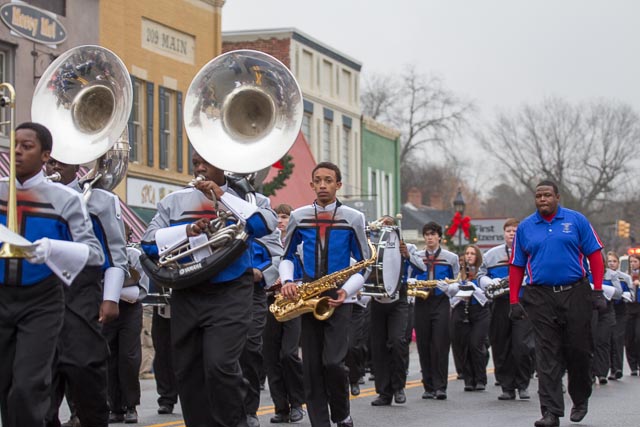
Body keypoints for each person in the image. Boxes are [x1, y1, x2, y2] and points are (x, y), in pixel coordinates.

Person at [141, 150, 277, 427]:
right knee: (188, 371)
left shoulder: (251, 200)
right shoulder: (174, 201)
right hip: (187, 291)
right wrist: (186, 231)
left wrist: (223, 197)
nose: (200, 169)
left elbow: (265, 225)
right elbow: (148, 244)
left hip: (230, 291)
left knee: (220, 366)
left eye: (206, 164)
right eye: (195, 164)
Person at [0, 122, 105, 427]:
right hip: (1, 294)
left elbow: (94, 253)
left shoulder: (65, 199)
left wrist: (53, 249)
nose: (18, 150)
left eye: (27, 146)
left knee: (27, 387)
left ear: (45, 155)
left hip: (41, 300)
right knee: (5, 385)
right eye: (15, 144)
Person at [279, 161, 370, 427]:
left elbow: (364, 264)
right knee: (311, 368)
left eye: (328, 180)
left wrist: (345, 291)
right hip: (308, 297)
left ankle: (342, 415)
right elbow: (286, 256)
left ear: (338, 185)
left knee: (333, 363)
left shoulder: (354, 218)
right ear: (311, 184)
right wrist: (287, 281)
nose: (322, 185)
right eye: (317, 180)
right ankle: (320, 422)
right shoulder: (299, 216)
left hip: (338, 298)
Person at [509, 180, 606, 427]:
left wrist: (597, 290)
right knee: (546, 354)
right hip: (539, 296)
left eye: (547, 195)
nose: (542, 199)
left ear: (557, 197)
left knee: (578, 351)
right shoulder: (526, 227)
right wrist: (514, 300)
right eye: (538, 196)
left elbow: (595, 255)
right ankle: (551, 412)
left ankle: (581, 398)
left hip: (575, 292)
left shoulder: (576, 221)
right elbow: (517, 265)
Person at [44, 156, 128, 427]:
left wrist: (111, 298)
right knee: (40, 379)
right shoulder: (31, 195)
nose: (55, 167)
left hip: (82, 291)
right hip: (41, 290)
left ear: (75, 165)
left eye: (61, 162)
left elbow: (116, 252)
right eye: (51, 162)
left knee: (83, 368)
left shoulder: (99, 200)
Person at [368, 215, 423, 406]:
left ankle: (398, 387)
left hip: (398, 300)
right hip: (377, 301)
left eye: (389, 226)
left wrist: (407, 254)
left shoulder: (407, 247)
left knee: (397, 342)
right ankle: (384, 392)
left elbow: (422, 267)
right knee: (378, 347)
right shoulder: (371, 247)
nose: (385, 229)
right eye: (382, 226)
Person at [478, 218, 534, 401]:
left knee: (522, 346)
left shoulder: (530, 252)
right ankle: (506, 386)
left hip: (523, 303)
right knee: (501, 345)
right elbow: (481, 274)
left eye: (515, 231)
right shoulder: (491, 254)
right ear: (504, 233)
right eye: (508, 230)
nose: (512, 233)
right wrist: (488, 282)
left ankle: (523, 384)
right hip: (500, 303)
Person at [262, 204, 305, 424]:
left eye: (285, 217)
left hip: (294, 303)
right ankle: (281, 407)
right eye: (278, 216)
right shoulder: (268, 242)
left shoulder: (300, 243)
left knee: (288, 354)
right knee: (270, 356)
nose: (280, 221)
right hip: (271, 302)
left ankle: (297, 403)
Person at [102, 228, 149, 424]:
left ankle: (131, 406)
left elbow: (143, 290)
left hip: (129, 310)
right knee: (109, 357)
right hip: (107, 309)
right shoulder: (103, 253)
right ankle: (115, 407)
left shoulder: (134, 255)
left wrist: (114, 292)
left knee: (128, 357)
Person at [413, 221, 460, 400]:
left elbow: (457, 280)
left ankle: (441, 386)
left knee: (440, 345)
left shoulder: (451, 257)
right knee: (423, 344)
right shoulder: (417, 256)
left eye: (433, 234)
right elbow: (409, 276)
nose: (430, 238)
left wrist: (450, 289)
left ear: (439, 236)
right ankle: (428, 386)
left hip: (441, 301)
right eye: (427, 235)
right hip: (421, 301)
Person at [451, 244, 490, 392]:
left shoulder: (481, 273)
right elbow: (453, 292)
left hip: (480, 311)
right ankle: (468, 378)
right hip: (463, 310)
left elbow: (487, 293)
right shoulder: (460, 274)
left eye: (472, 253)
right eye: (467, 253)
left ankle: (480, 378)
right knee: (464, 344)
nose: (469, 256)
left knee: (476, 344)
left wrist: (473, 288)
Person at [591, 253, 622, 385]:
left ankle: (602, 373)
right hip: (591, 310)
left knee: (603, 341)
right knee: (590, 340)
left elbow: (618, 293)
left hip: (606, 310)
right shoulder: (586, 274)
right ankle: (590, 372)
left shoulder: (611, 275)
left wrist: (603, 289)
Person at [607, 251, 631, 380]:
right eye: (609, 261)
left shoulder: (624, 277)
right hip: (607, 309)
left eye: (614, 261)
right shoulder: (604, 275)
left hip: (621, 310)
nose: (612, 264)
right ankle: (610, 367)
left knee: (617, 338)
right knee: (609, 339)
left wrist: (626, 295)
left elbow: (631, 293)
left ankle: (617, 368)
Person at [626, 253, 640, 376]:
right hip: (629, 307)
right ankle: (633, 365)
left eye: (635, 261)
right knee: (629, 337)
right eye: (631, 262)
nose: (633, 264)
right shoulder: (626, 276)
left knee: (638, 335)